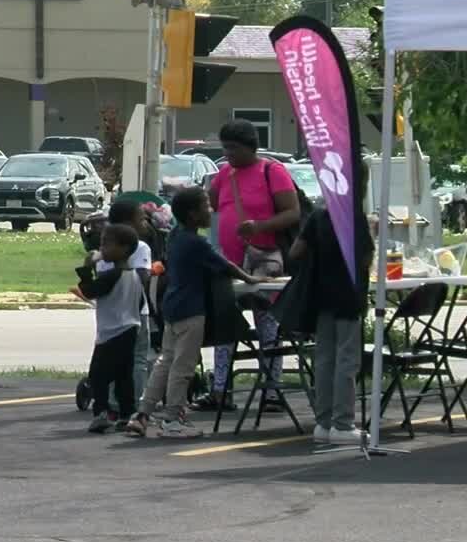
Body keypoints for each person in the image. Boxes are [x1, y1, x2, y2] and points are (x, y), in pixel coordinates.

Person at [126, 187, 268, 439]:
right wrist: (251, 278)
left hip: (172, 306)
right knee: (183, 366)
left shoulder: (177, 235)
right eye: (205, 207)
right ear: (192, 215)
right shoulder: (196, 242)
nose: (210, 211)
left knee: (165, 361)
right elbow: (225, 265)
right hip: (192, 311)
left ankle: (143, 413)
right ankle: (171, 419)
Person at [192, 120, 301, 412]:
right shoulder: (225, 173)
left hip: (265, 258)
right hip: (231, 260)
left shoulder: (272, 171)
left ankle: (272, 391)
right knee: (225, 324)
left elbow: (292, 212)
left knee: (267, 324)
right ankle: (220, 390)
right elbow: (214, 202)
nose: (229, 154)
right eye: (225, 148)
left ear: (250, 147)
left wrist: (262, 225)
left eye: (234, 148)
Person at [288, 162, 375, 446]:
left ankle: (323, 421)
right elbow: (365, 259)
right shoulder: (354, 218)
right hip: (348, 296)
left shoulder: (319, 217)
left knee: (324, 359)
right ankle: (343, 422)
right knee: (347, 360)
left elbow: (296, 251)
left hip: (321, 294)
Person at [76, 223, 145, 434]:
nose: (102, 248)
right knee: (123, 375)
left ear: (124, 249)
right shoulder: (133, 275)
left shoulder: (113, 275)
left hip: (111, 332)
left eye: (107, 244)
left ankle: (101, 412)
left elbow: (89, 291)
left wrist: (87, 269)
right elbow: (141, 303)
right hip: (131, 327)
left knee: (98, 374)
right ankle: (126, 413)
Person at [100, 199, 155, 416]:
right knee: (138, 359)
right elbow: (142, 277)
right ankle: (134, 403)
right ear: (128, 223)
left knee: (113, 359)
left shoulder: (105, 249)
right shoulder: (140, 247)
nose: (145, 223)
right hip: (135, 313)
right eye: (141, 218)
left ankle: (113, 402)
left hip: (111, 315)